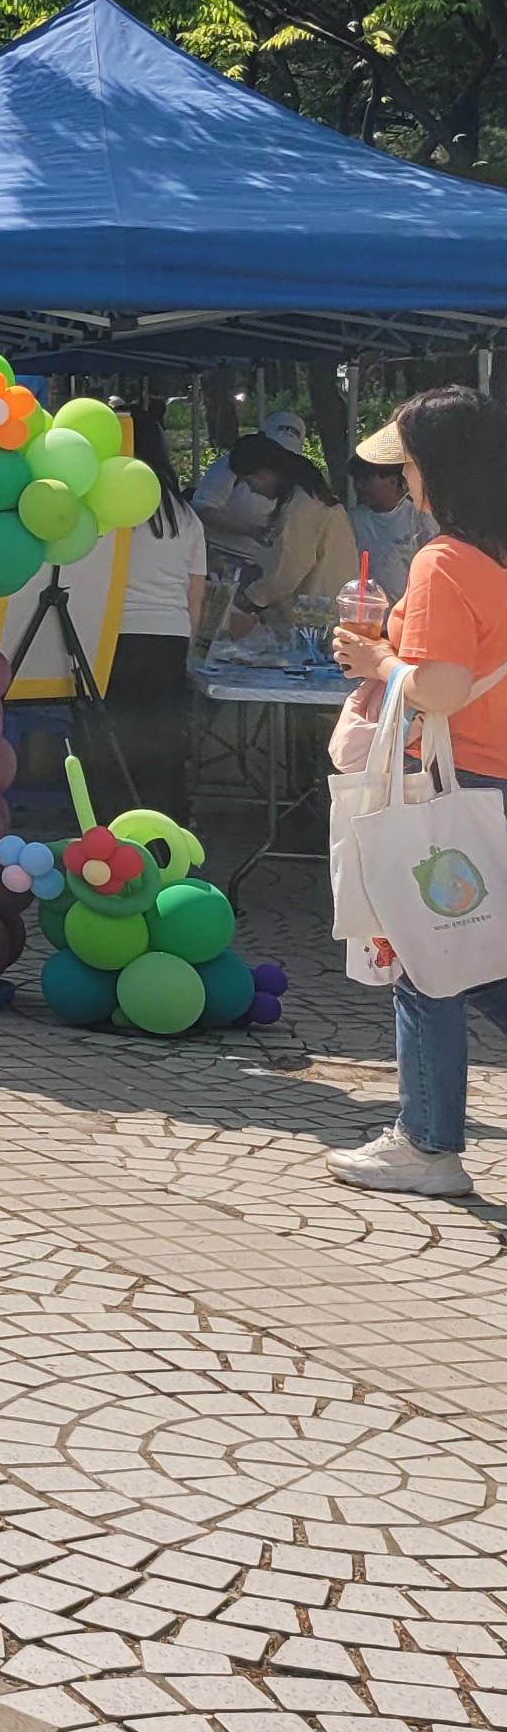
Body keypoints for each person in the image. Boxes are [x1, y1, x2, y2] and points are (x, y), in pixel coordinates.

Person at [328, 388, 507, 1195]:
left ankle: (427, 1145)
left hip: (450, 782)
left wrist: (378, 663)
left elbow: (438, 687)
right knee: (481, 956)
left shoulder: (444, 561)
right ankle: (424, 1141)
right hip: (495, 779)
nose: (404, 478)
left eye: (409, 464)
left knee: (428, 958)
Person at [104, 401, 207, 822]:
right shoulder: (186, 516)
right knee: (164, 741)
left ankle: (117, 827)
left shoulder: (108, 507)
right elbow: (195, 595)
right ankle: (168, 830)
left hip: (114, 637)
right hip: (170, 637)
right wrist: (188, 645)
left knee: (115, 740)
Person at [225, 432, 354, 631]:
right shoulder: (312, 497)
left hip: (316, 617)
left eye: (249, 482)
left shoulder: (302, 506)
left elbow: (289, 571)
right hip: (329, 610)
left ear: (265, 473)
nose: (252, 490)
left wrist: (251, 599)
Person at [193, 409, 315, 583]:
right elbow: (202, 509)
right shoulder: (233, 465)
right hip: (217, 555)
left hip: (258, 563)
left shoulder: (293, 479)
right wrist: (252, 530)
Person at [350, 451, 430, 606]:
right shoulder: (354, 519)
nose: (358, 486)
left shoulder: (419, 518)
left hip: (408, 610)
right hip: (367, 611)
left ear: (392, 482)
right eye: (356, 480)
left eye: (366, 480)